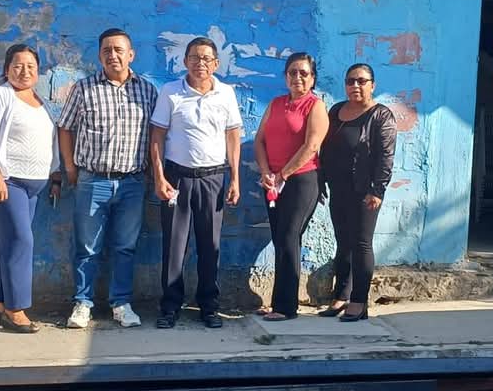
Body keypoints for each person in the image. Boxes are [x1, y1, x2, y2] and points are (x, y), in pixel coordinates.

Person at [56, 28, 158, 329]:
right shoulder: (84, 88)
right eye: (106, 50)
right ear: (100, 56)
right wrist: (70, 167)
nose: (112, 55)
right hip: (92, 181)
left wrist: (154, 172)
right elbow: (65, 127)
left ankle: (121, 303)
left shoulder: (147, 91)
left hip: (133, 182)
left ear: (131, 55)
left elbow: (156, 134)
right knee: (87, 247)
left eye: (118, 50)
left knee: (125, 246)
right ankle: (83, 303)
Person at [149, 37, 242, 329]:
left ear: (216, 63)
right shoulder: (170, 92)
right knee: (174, 246)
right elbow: (157, 136)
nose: (200, 63)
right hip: (176, 179)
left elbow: (232, 137)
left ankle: (209, 307)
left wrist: (235, 178)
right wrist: (159, 176)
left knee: (209, 245)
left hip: (213, 178)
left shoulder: (226, 93)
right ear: (185, 61)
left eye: (206, 58)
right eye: (194, 57)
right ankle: (170, 307)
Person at [0, 44, 60, 334]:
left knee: (7, 241)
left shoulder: (40, 102)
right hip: (7, 181)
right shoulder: (1, 96)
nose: (24, 71)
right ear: (7, 69)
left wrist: (55, 176)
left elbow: (48, 143)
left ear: (38, 71)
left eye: (30, 66)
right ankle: (15, 309)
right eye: (18, 66)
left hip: (33, 185)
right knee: (22, 240)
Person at [317, 63, 397, 322]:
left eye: (362, 81)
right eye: (350, 81)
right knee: (343, 244)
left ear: (372, 85)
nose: (355, 86)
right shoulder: (336, 111)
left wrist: (377, 190)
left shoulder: (381, 116)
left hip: (365, 192)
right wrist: (322, 179)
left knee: (361, 243)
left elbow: (386, 157)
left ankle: (359, 302)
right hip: (338, 188)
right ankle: (341, 295)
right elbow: (325, 147)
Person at [252, 52, 328, 321]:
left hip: (302, 181)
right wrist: (266, 172)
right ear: (285, 77)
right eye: (292, 72)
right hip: (273, 181)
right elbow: (259, 140)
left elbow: (312, 146)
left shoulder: (315, 106)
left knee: (288, 237)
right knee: (280, 240)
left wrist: (283, 174)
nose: (298, 77)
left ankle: (286, 308)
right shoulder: (276, 104)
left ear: (312, 78)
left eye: (304, 73)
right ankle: (277, 303)